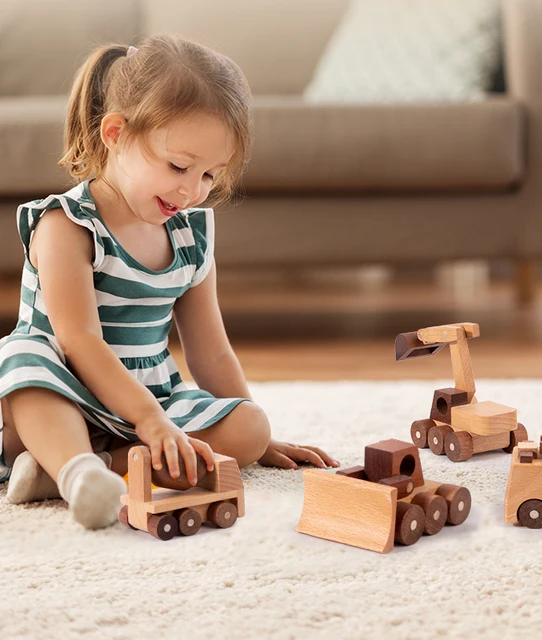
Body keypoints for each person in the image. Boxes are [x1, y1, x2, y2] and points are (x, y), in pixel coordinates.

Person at [0, 35, 338, 530]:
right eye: (179, 166)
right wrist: (149, 420)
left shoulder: (190, 234)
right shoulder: (66, 226)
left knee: (249, 426)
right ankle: (72, 465)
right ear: (115, 134)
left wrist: (260, 442)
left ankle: (85, 470)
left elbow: (212, 354)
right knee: (22, 358)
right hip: (64, 392)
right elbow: (79, 342)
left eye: (210, 175)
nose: (192, 190)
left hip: (149, 400)